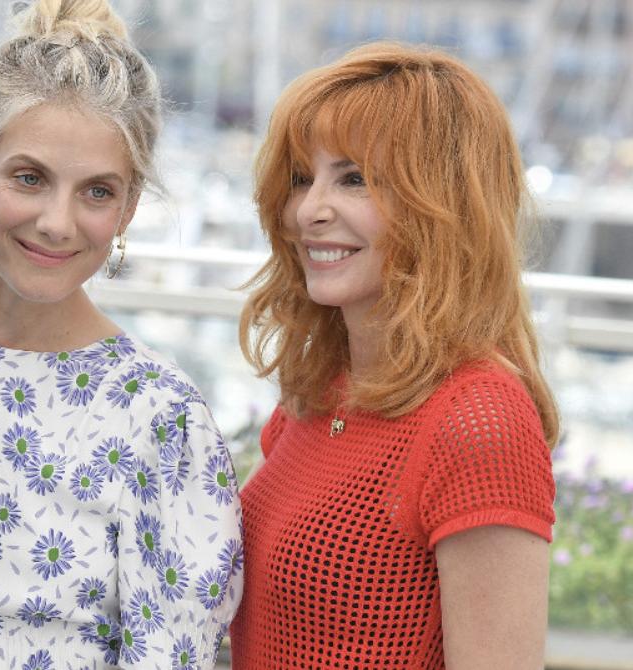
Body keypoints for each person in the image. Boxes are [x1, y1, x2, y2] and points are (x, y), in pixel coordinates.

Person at [0, 1, 243, 667]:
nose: (58, 222)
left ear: (130, 206)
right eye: (30, 178)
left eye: (96, 192)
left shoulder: (163, 419)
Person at [230, 42, 559, 668]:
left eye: (354, 179)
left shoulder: (477, 422)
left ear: (443, 205)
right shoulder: (323, 387)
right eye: (303, 177)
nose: (309, 210)